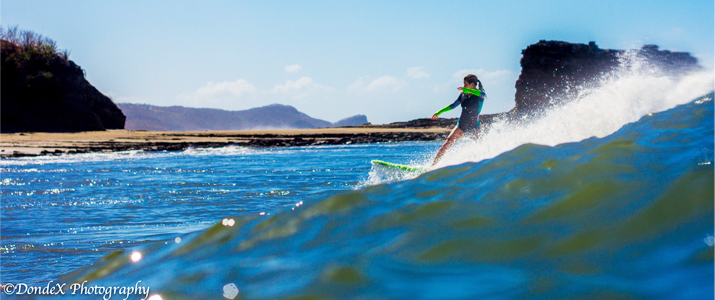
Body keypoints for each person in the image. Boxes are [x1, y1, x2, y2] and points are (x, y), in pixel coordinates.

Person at [430, 74, 486, 166]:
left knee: (480, 145)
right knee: (446, 144)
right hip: (461, 124)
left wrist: (467, 90)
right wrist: (439, 112)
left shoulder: (479, 95)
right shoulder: (463, 94)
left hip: (474, 125)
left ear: (472, 84)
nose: (464, 87)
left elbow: (483, 94)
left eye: (465, 85)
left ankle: (484, 165)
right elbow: (453, 105)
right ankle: (432, 167)